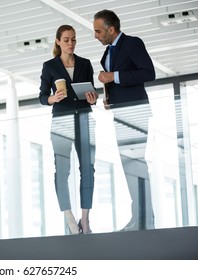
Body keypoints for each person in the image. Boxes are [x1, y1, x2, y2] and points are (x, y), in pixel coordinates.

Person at [93, 9, 156, 231]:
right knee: (128, 166)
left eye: (98, 31)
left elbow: (148, 73)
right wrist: (109, 96)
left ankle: (145, 219)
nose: (96, 35)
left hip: (136, 114)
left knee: (136, 164)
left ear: (111, 29)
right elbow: (117, 80)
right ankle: (139, 216)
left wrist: (114, 76)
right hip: (120, 115)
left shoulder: (132, 43)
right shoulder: (108, 52)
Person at [39, 24, 98, 234]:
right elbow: (42, 96)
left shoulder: (85, 63)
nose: (71, 43)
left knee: (88, 170)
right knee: (62, 171)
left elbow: (91, 91)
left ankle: (85, 218)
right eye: (66, 39)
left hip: (84, 119)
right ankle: (69, 216)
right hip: (61, 122)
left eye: (73, 39)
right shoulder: (50, 66)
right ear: (58, 41)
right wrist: (52, 98)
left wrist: (93, 99)